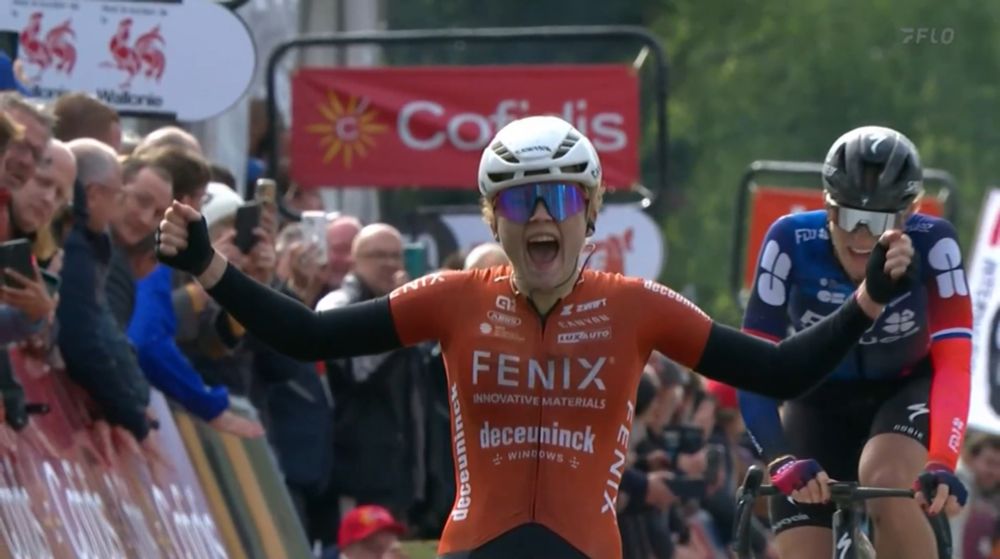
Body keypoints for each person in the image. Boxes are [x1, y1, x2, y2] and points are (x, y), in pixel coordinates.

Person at [156, 116, 916, 559]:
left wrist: (868, 297)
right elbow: (304, 334)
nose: (541, 217)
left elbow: (780, 372)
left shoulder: (637, 306)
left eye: (558, 198)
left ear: (591, 210)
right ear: (495, 221)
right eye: (521, 203)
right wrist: (208, 264)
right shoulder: (453, 297)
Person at [737, 125, 972, 559]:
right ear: (826, 206)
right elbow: (754, 366)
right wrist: (779, 459)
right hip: (817, 397)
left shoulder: (935, 243)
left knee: (884, 479)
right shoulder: (788, 240)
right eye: (847, 215)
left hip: (902, 390)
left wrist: (941, 460)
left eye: (879, 220)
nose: (861, 235)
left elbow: (955, 363)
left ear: (909, 215)